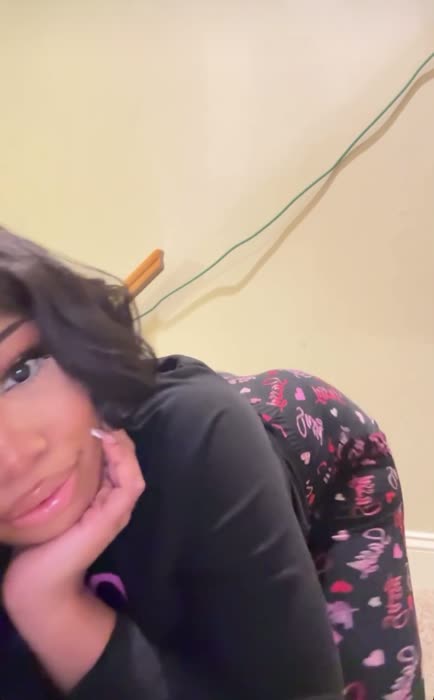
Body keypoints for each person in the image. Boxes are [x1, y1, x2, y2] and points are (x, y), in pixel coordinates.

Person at [0, 226, 424, 700]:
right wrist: (43, 600)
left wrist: (52, 610)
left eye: (20, 371)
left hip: (323, 454)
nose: (14, 459)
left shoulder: (197, 435)